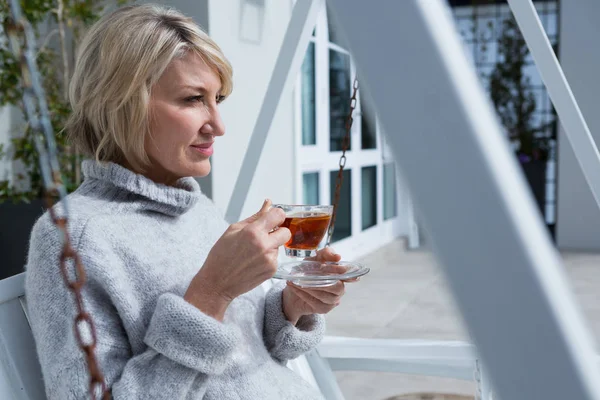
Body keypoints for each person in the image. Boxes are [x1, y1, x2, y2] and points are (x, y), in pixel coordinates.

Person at [25, 4, 351, 399]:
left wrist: (292, 305)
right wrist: (212, 292)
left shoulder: (196, 210)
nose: (218, 125)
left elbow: (245, 348)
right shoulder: (74, 238)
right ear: (122, 104)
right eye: (193, 99)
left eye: (218, 99)